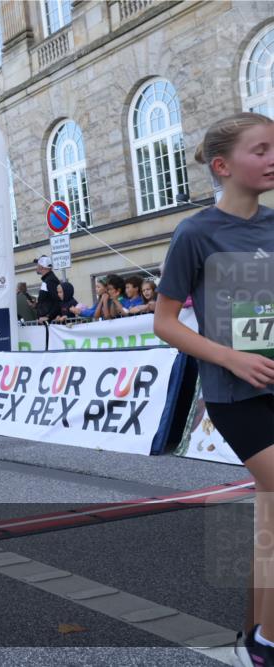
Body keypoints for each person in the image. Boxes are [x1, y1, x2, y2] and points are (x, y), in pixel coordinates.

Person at [153, 112, 274, 666]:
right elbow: (166, 322)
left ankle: (255, 632)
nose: (273, 158)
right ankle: (268, 643)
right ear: (223, 167)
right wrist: (232, 358)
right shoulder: (195, 233)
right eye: (262, 149)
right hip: (233, 392)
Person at [34, 256, 62, 323]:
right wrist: (36, 305)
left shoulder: (50, 280)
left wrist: (48, 316)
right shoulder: (47, 280)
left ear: (42, 267)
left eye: (38, 265)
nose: (36, 267)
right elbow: (46, 301)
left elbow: (58, 301)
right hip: (46, 323)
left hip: (50, 324)